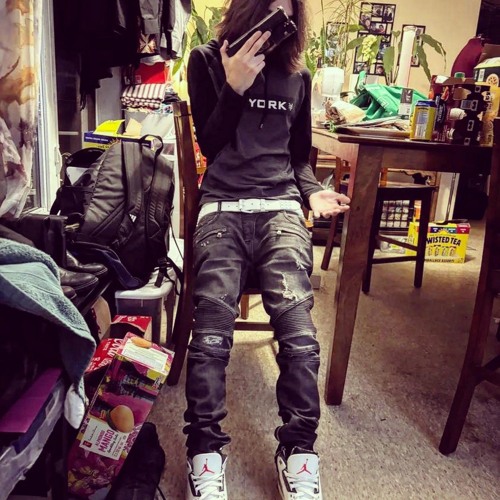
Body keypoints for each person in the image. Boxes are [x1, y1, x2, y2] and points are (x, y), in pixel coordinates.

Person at [184, 1, 350, 499]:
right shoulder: (206, 61)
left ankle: (298, 450)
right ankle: (204, 450)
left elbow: (298, 159)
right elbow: (211, 145)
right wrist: (234, 86)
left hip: (280, 208)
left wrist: (311, 191)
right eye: (268, 12)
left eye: (287, 16)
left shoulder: (298, 77)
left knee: (299, 333)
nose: (277, 27)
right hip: (223, 207)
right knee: (211, 330)